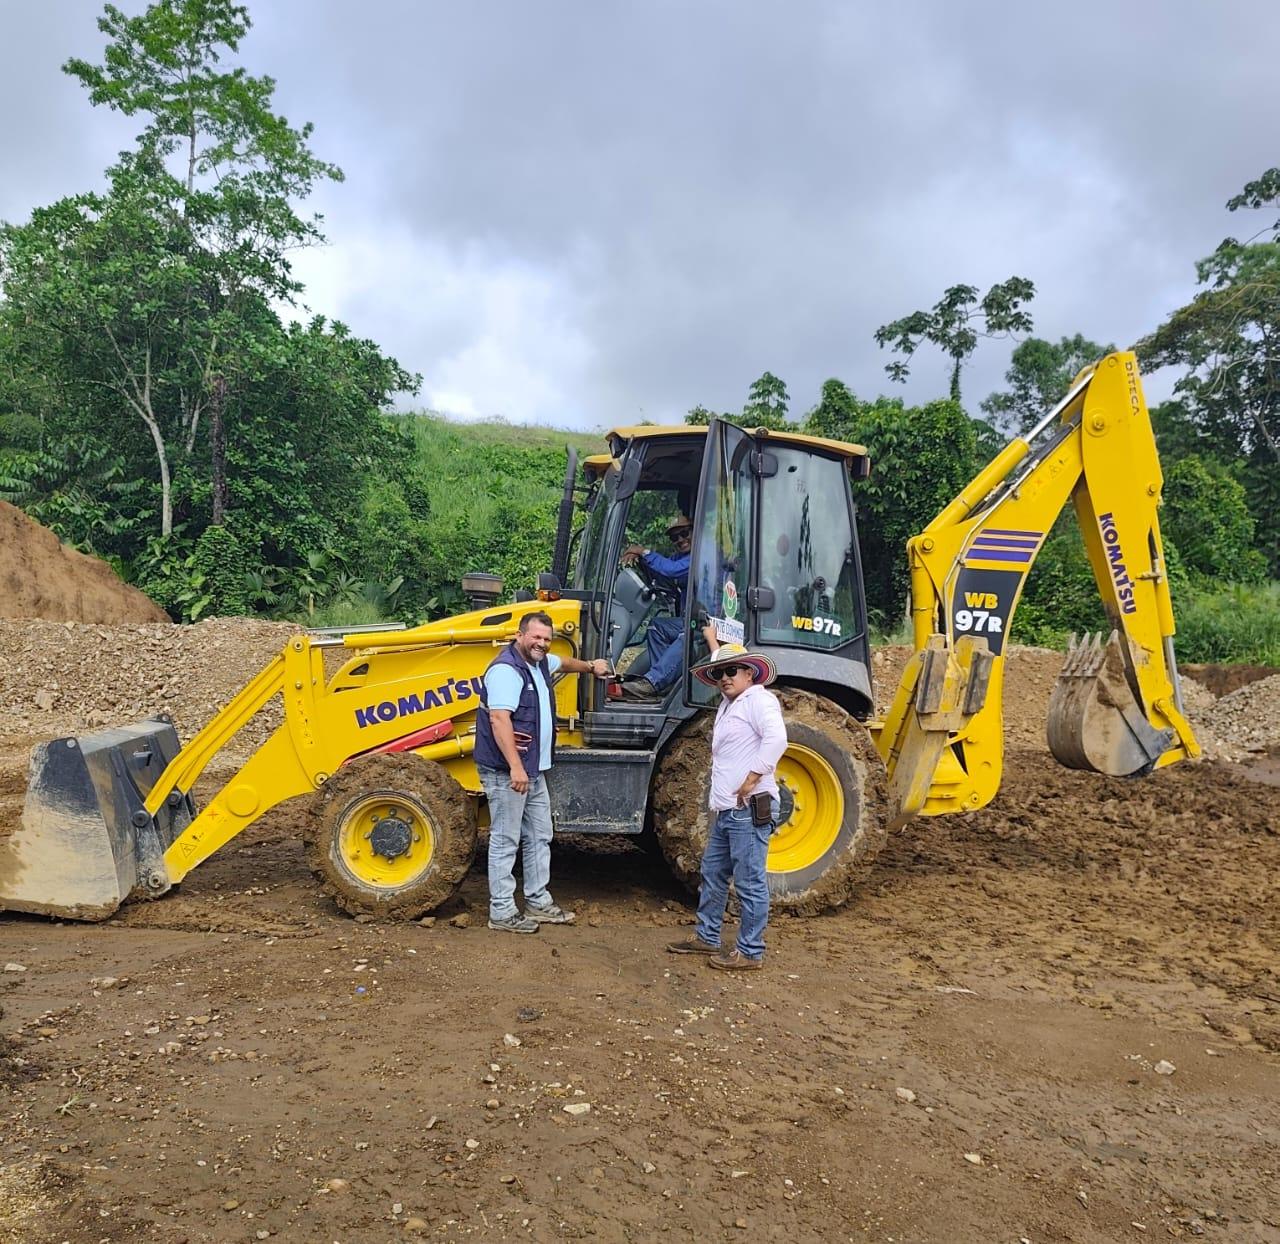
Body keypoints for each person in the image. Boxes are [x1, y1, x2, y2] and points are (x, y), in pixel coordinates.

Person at [474, 611, 610, 934]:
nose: (542, 643)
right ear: (519, 635)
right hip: (509, 772)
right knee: (506, 839)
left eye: (547, 639)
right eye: (536, 637)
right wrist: (516, 768)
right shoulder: (507, 671)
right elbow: (499, 720)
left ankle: (537, 901)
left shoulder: (538, 663)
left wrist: (591, 666)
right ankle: (502, 911)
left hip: (533, 769)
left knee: (539, 835)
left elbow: (564, 662)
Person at [666, 633, 787, 970]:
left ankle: (750, 951)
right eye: (719, 673)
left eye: (732, 671)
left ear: (750, 673)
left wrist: (752, 777)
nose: (724, 678)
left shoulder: (759, 701)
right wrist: (711, 639)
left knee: (749, 882)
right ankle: (708, 936)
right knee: (713, 872)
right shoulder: (729, 704)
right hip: (728, 811)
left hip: (748, 808)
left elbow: (777, 738)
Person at [619, 514, 693, 698]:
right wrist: (641, 560)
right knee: (656, 626)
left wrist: (643, 551)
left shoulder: (702, 555)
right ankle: (665, 683)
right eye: (675, 537)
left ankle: (653, 681)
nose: (680, 539)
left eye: (684, 533)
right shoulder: (680, 557)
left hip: (709, 624)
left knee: (687, 635)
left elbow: (670, 570)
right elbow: (664, 573)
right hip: (688, 620)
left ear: (695, 531)